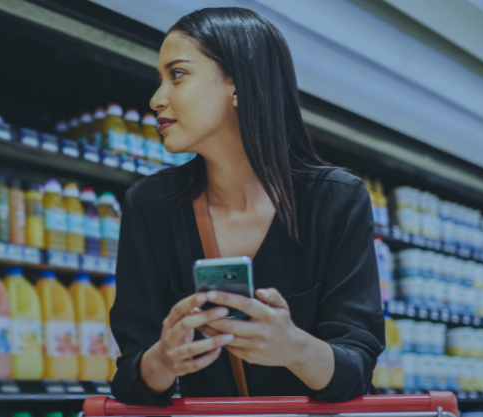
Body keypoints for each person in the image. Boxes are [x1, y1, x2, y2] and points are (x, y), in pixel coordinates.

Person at [110, 7, 384, 405]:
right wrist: (164, 359)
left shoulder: (336, 200)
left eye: (178, 75)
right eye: (160, 80)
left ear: (238, 84)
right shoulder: (150, 206)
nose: (156, 99)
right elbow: (131, 380)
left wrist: (293, 348)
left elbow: (356, 369)